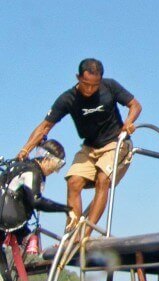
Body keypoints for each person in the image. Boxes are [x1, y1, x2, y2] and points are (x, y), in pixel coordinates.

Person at [16, 58, 142, 234]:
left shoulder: (110, 86)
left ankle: (85, 234)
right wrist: (24, 150)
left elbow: (135, 105)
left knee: (102, 179)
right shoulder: (68, 99)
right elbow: (45, 126)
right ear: (78, 78)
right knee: (73, 182)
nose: (90, 89)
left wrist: (129, 121)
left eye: (94, 85)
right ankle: (72, 230)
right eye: (86, 84)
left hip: (115, 144)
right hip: (89, 148)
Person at [0, 139, 71, 281]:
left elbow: (13, 212)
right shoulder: (32, 172)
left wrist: (26, 236)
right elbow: (36, 201)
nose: (57, 171)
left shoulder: (20, 170)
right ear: (47, 159)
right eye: (58, 165)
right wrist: (66, 209)